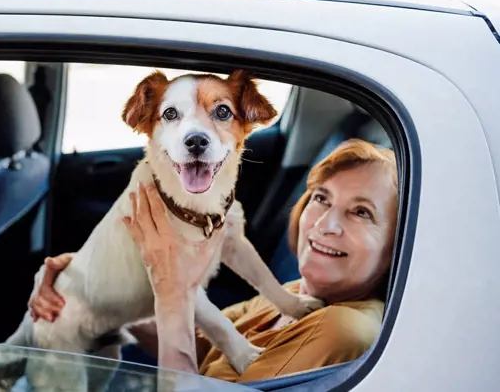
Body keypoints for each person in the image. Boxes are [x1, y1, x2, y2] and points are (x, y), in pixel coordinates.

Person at [29, 138, 398, 383]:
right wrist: (88, 285)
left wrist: (170, 283)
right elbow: (201, 343)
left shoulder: (343, 328)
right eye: (321, 198)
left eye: (362, 213)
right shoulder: (297, 295)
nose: (325, 224)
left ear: (397, 243)